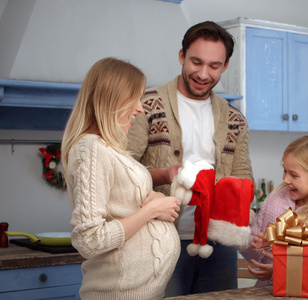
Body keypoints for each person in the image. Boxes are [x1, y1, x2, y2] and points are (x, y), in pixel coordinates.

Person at [127, 21, 253, 296]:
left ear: (225, 66)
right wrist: (164, 174)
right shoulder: (146, 106)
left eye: (214, 66)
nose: (204, 74)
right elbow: (121, 171)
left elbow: (245, 178)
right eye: (196, 62)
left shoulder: (235, 119)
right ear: (182, 56)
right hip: (157, 240)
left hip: (219, 243)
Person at [61, 57, 181, 300]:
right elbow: (90, 240)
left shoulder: (108, 149)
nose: (140, 108)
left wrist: (154, 197)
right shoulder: (91, 149)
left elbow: (122, 203)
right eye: (135, 98)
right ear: (112, 98)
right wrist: (152, 210)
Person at [239, 135, 308, 285]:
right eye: (285, 171)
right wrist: (258, 244)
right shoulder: (275, 199)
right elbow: (253, 252)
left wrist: (280, 271)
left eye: (294, 175)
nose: (286, 179)